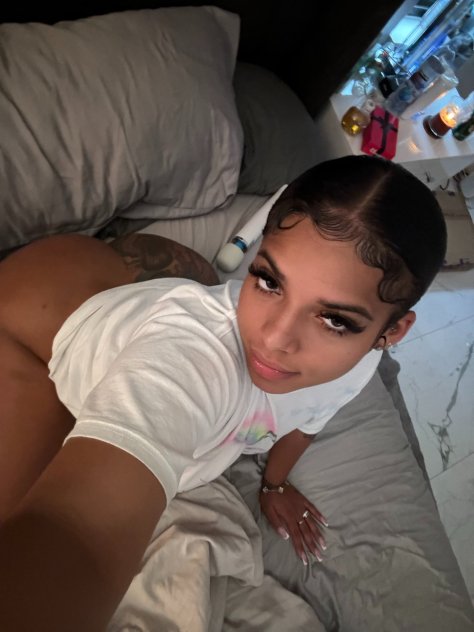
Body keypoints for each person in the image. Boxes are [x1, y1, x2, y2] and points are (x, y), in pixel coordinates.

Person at [0, 155, 446, 630]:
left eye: (334, 320)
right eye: (268, 280)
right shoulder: (194, 359)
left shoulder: (363, 360)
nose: (274, 339)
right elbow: (78, 533)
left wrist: (274, 485)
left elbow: (311, 419)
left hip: (125, 285)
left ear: (391, 333)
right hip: (31, 329)